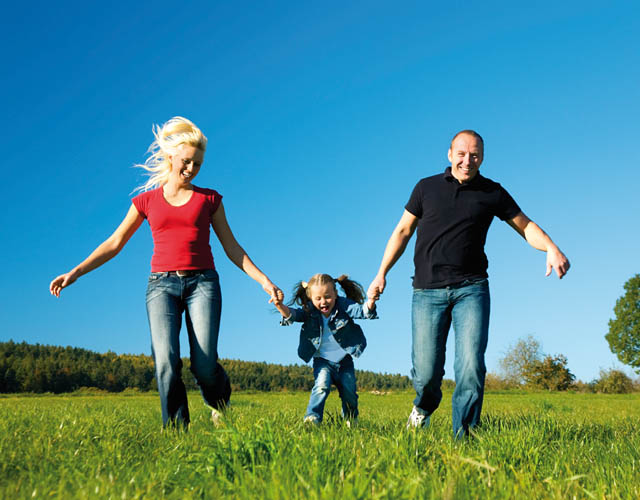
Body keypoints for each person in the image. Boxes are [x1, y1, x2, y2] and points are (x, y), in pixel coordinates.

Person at [49, 116, 281, 428]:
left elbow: (232, 248)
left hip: (203, 284)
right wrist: (75, 272)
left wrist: (263, 280)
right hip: (161, 287)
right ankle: (177, 434)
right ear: (170, 156)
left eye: (197, 165)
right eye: (186, 162)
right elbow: (114, 243)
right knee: (166, 362)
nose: (190, 169)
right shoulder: (146, 201)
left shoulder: (209, 199)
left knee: (204, 363)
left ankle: (219, 401)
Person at [367, 130, 570, 438]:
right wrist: (382, 272)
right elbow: (403, 232)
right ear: (449, 155)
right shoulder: (426, 188)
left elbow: (525, 226)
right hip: (427, 290)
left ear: (482, 158)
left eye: (474, 155)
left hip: (472, 289)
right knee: (425, 373)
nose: (467, 160)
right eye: (461, 154)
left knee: (471, 366)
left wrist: (551, 247)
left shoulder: (492, 192)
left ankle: (465, 438)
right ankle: (423, 407)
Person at [272, 274, 378, 426]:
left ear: (335, 294)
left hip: (344, 361)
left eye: (327, 297)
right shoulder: (309, 310)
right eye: (318, 298)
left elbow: (362, 311)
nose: (323, 302)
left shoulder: (343, 305)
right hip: (322, 361)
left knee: (349, 392)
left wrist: (372, 301)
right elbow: (293, 315)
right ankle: (312, 418)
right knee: (321, 386)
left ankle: (350, 420)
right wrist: (279, 306)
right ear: (310, 298)